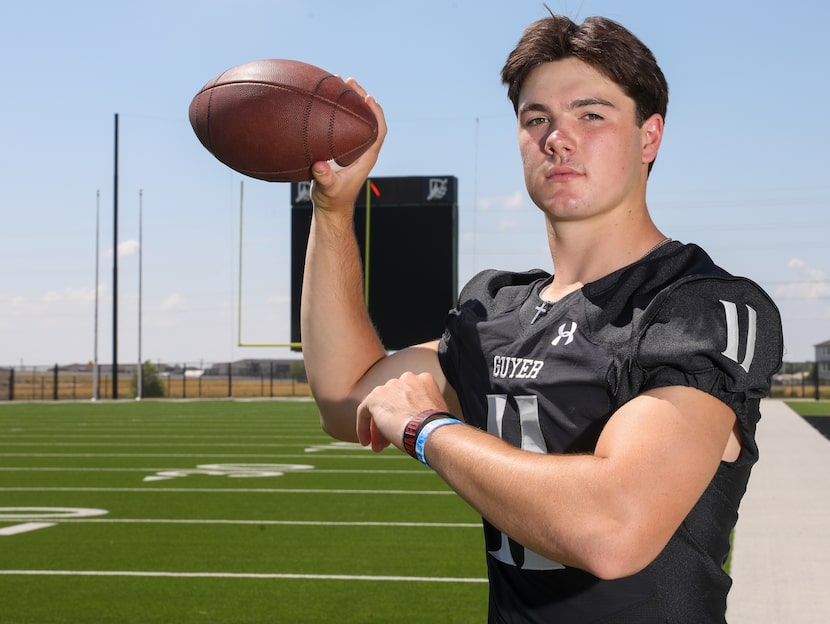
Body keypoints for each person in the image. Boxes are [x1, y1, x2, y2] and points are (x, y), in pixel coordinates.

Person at [301, 12, 783, 624]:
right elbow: (345, 399)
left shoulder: (697, 305)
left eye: (591, 114)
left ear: (648, 137)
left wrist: (426, 428)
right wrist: (332, 209)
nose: (558, 137)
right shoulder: (498, 308)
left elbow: (613, 530)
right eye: (537, 119)